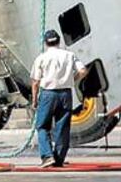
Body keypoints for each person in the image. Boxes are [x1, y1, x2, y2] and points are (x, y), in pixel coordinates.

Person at [31, 29, 87, 168]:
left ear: (45, 43)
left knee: (42, 126)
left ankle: (48, 156)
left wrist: (34, 100)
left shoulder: (42, 58)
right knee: (62, 126)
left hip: (48, 94)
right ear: (59, 41)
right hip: (65, 94)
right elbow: (83, 71)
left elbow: (35, 81)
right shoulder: (69, 55)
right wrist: (72, 80)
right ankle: (59, 158)